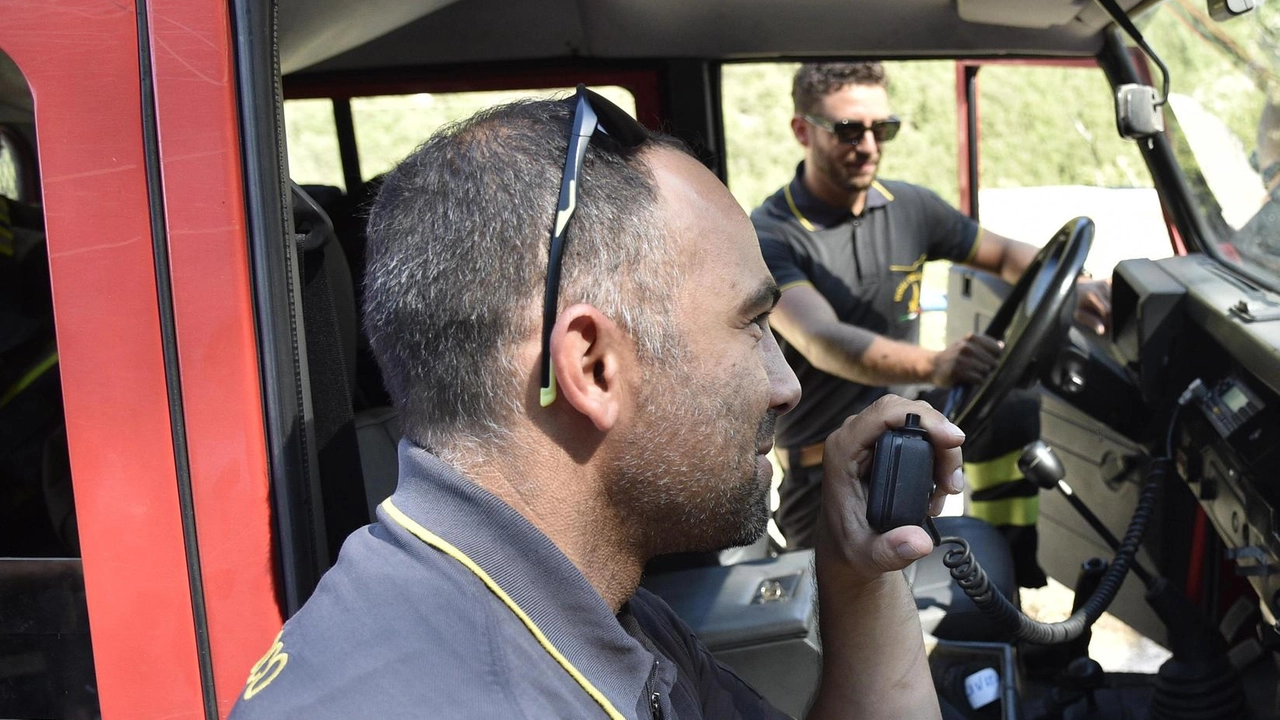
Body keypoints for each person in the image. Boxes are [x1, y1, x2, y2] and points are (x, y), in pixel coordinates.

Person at [228, 88, 968, 719]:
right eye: (752, 325)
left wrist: (859, 574)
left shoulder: (586, 601)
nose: (787, 386)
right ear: (591, 365)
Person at [752, 62, 1111, 585]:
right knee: (847, 625)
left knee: (1018, 409)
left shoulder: (911, 207)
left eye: (884, 129)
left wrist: (1072, 284)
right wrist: (937, 364)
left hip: (916, 441)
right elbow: (824, 340)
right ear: (802, 130)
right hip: (832, 466)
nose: (869, 145)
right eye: (850, 130)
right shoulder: (772, 234)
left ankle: (1020, 576)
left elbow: (1008, 255)